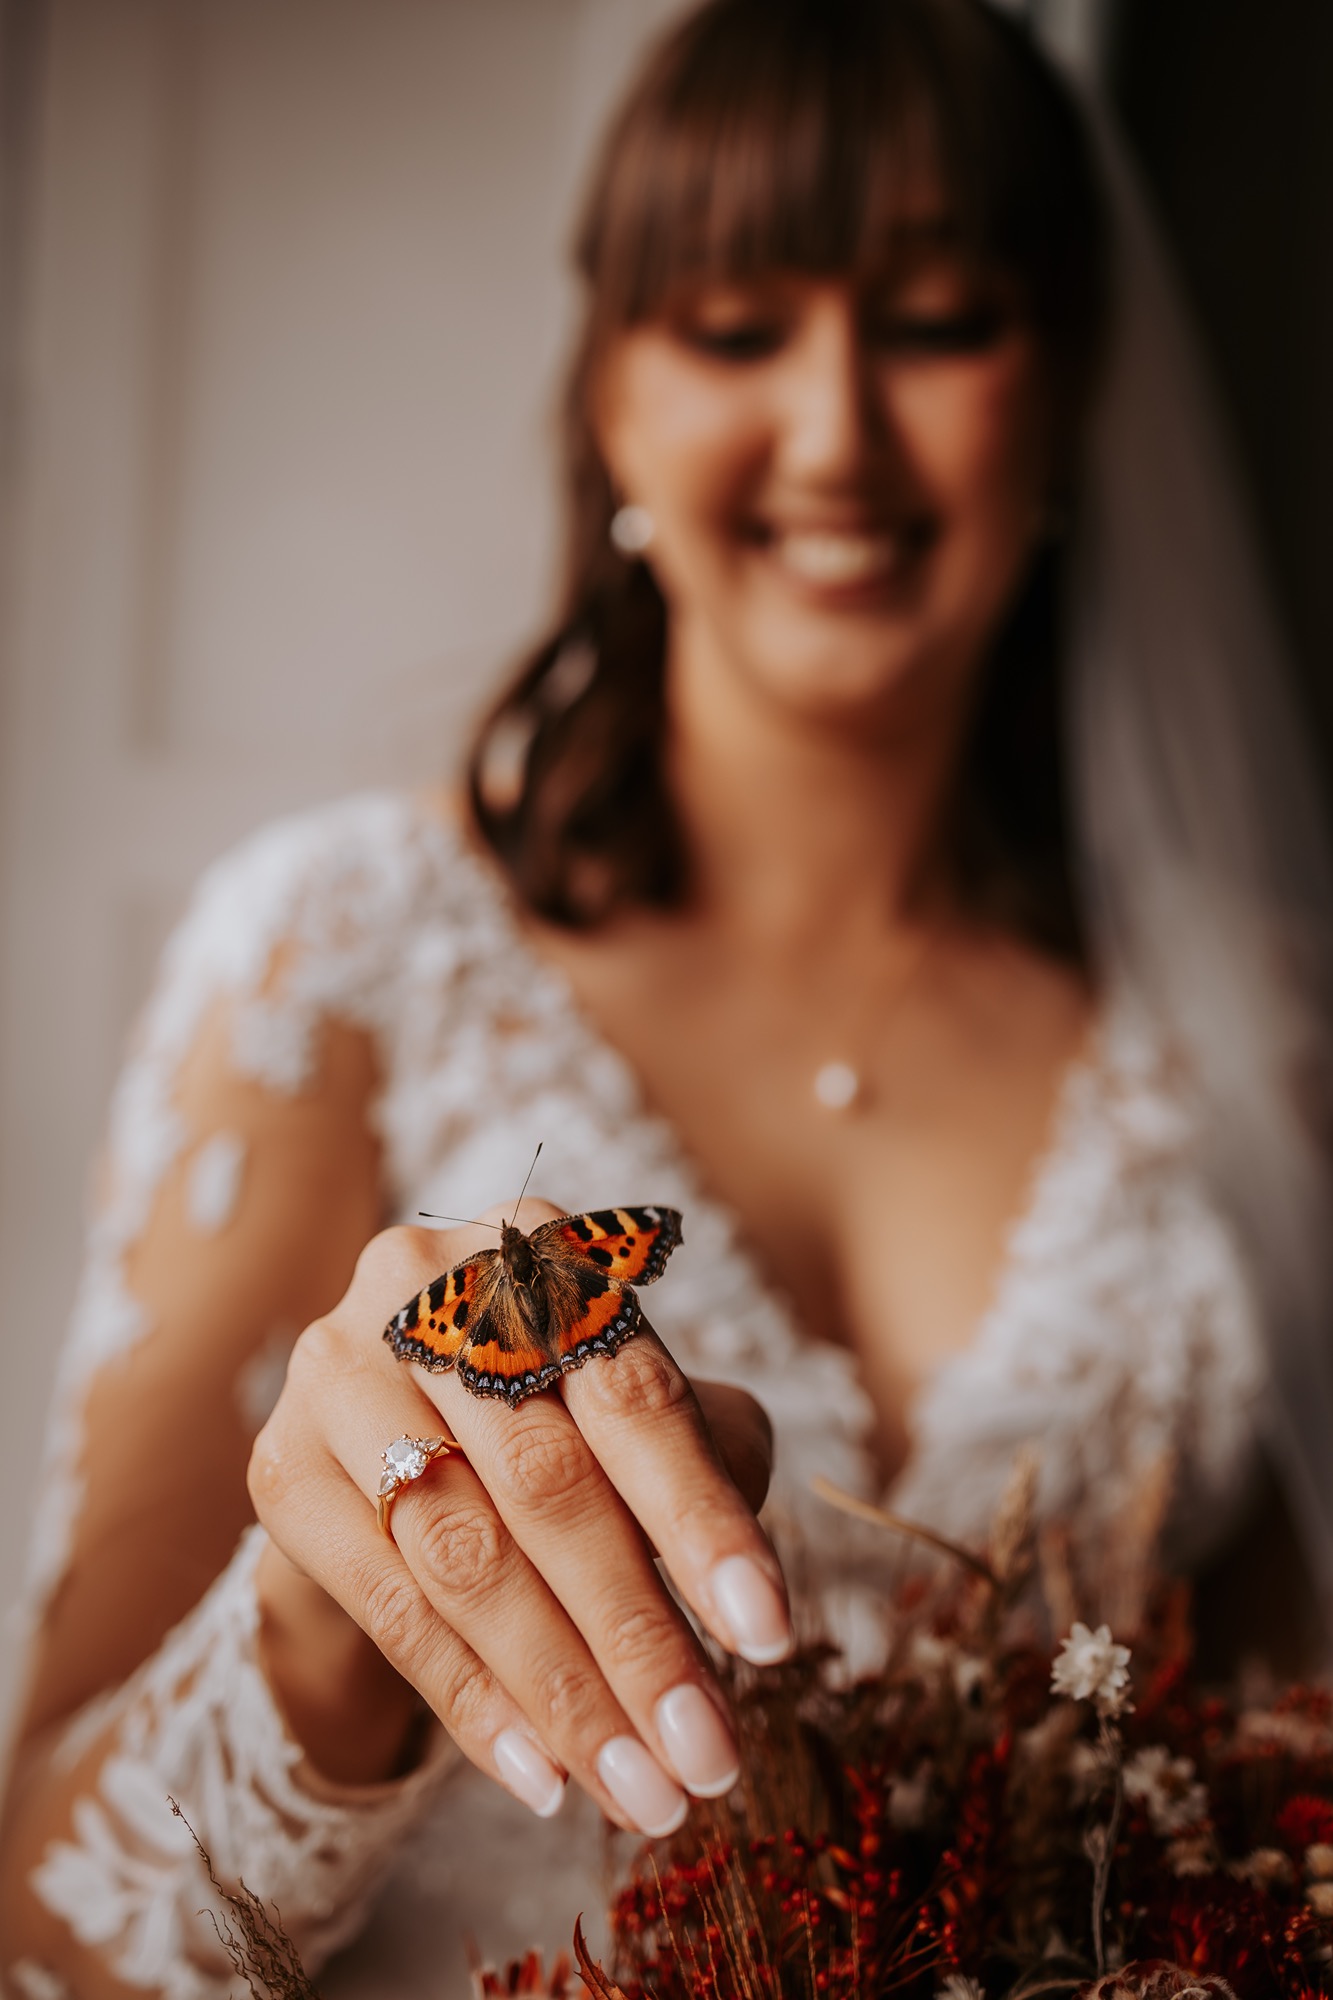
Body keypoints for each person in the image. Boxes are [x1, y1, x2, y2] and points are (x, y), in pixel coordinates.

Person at [4, 0, 1331, 1991]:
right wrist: (317, 1641)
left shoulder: (1253, 1049)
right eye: (734, 329)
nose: (833, 430)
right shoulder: (341, 959)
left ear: (1062, 392)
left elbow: (1254, 1802)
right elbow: (33, 1925)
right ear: (612, 396)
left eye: (939, 317)